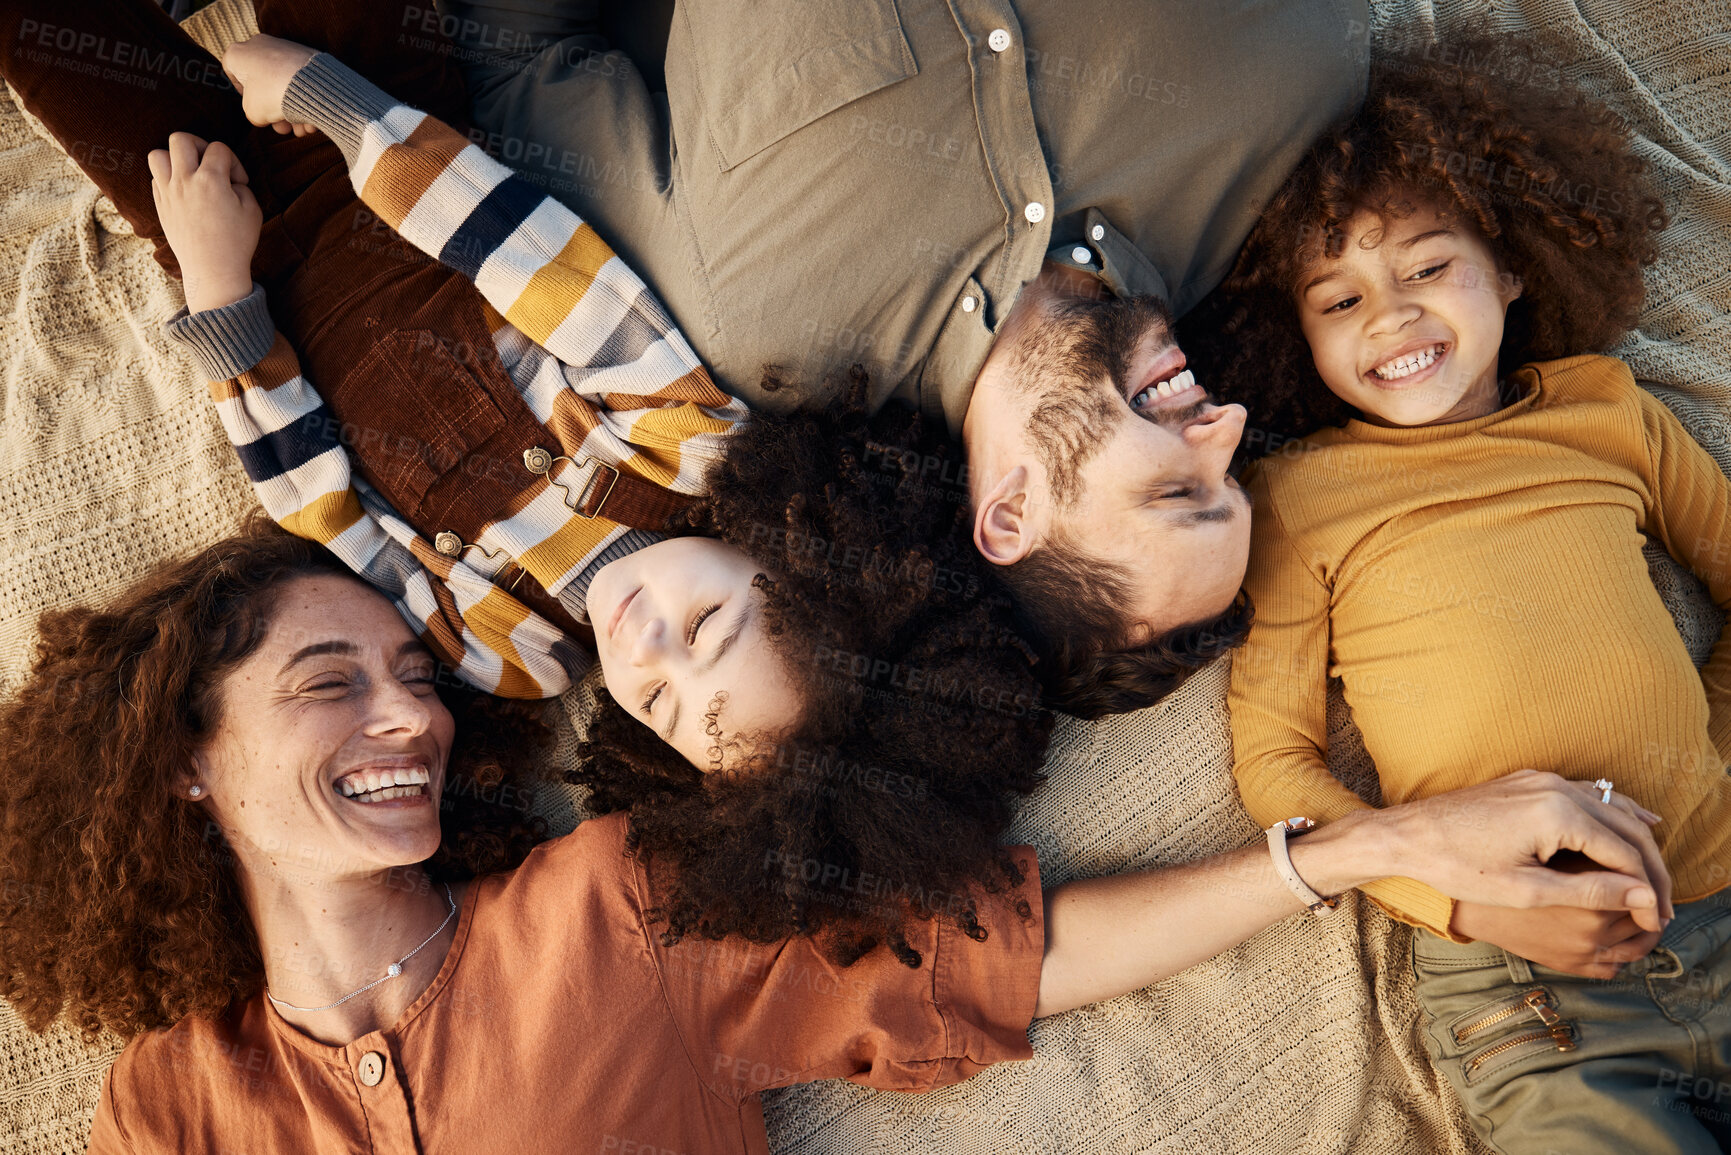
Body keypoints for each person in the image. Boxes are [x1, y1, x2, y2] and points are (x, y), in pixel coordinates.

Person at [0, 524, 1674, 1153]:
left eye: (414, 676)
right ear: (185, 770)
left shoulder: (614, 905)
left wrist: (1383, 844)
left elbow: (1005, 954)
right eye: (329, 683)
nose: (416, 716)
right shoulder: (166, 1111)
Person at [0, 5, 1053, 957]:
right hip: (385, 126)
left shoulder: (517, 654)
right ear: (773, 553)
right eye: (702, 632)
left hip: (247, 260)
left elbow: (328, 515)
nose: (643, 650)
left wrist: (219, 290)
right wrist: (326, 97)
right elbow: (515, 248)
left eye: (661, 705)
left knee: (49, 52)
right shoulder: (688, 438)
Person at [430, 0, 1374, 715]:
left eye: (1176, 489)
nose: (1226, 426)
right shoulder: (1294, 76)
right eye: (1231, 473)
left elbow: (523, 61)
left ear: (1008, 511)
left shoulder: (743, 317)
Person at [1203, 43, 1731, 1153]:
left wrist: (1709, 752)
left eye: (1429, 267)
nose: (1389, 316)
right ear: (1297, 338)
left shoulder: (1604, 411)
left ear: (1515, 266)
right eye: (1338, 297)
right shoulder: (1300, 498)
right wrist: (1460, 901)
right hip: (1526, 994)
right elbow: (1276, 762)